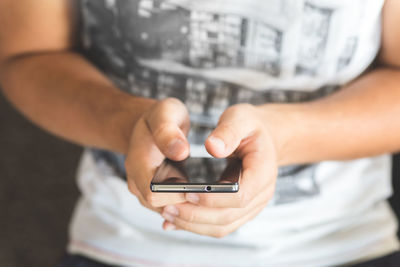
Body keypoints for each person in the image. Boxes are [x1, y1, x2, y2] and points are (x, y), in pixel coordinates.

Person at [1, 0, 400, 266]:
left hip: (340, 242)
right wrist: (128, 124)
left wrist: (283, 136)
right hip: (120, 243)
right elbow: (27, 56)